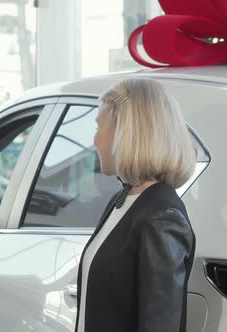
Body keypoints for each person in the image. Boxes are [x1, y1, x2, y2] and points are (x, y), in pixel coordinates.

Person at [75, 78, 197, 332]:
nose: (95, 140)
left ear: (126, 133)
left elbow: (160, 325)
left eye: (100, 127)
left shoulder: (162, 217)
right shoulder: (124, 200)